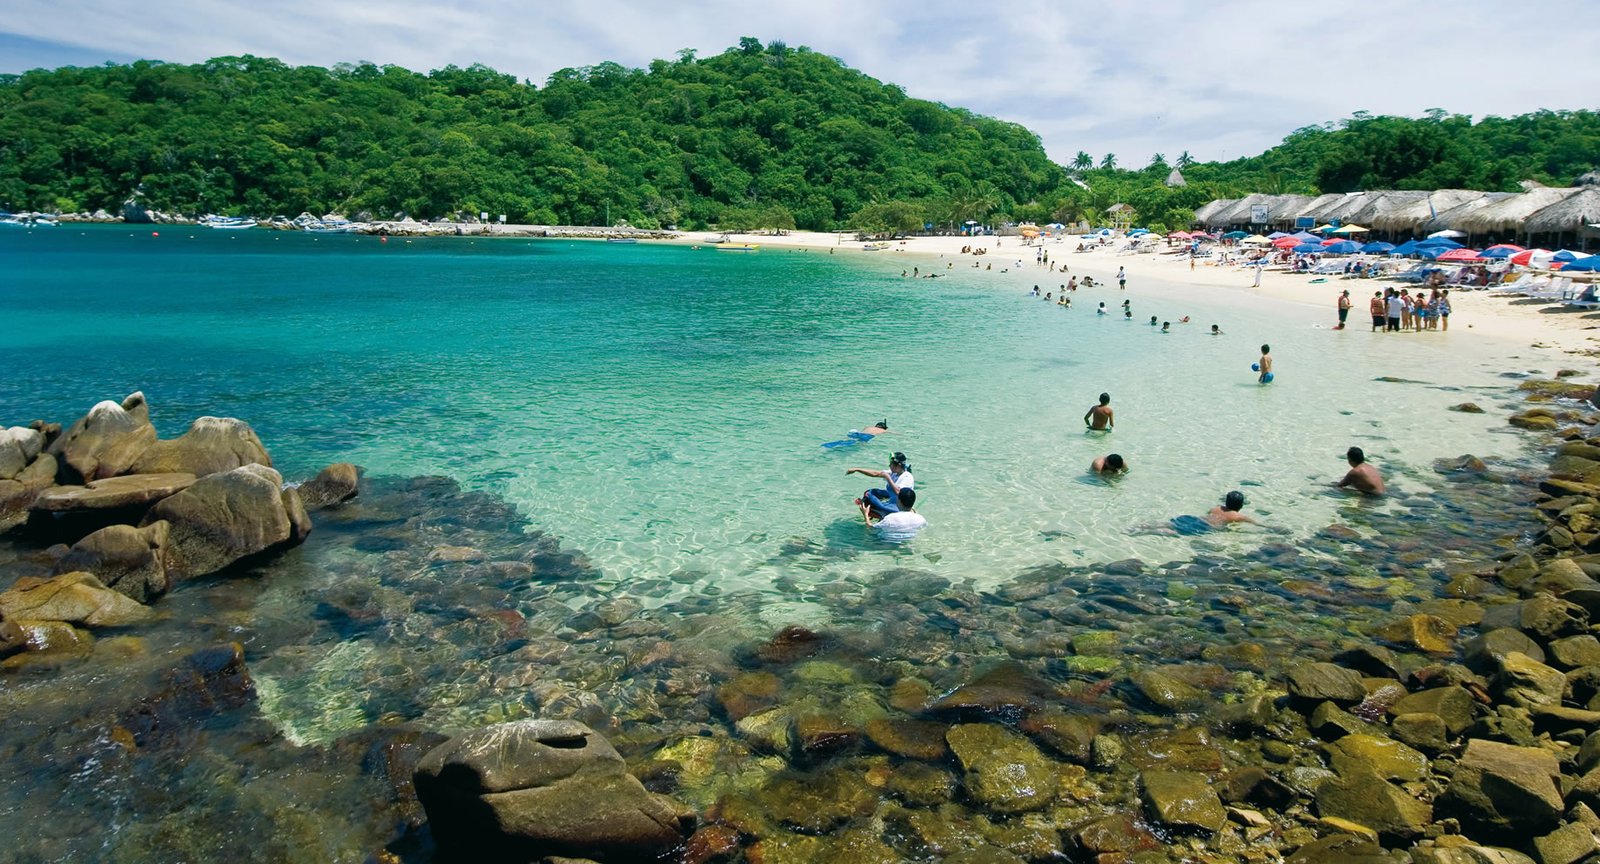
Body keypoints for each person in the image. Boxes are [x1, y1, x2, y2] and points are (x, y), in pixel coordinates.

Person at [849, 452, 914, 518]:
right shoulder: (894, 473)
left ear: (898, 465)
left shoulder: (907, 477)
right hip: (892, 503)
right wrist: (857, 469)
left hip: (899, 507)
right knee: (869, 492)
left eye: (891, 464)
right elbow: (875, 473)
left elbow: (898, 492)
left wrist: (888, 477)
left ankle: (877, 513)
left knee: (868, 500)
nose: (889, 465)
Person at [822, 419, 889, 449]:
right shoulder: (882, 430)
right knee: (858, 445)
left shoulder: (868, 427)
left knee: (848, 440)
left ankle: (831, 444)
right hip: (867, 436)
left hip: (858, 433)